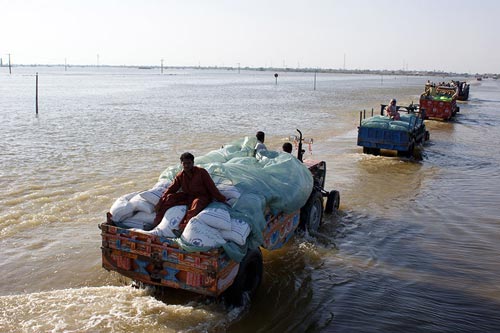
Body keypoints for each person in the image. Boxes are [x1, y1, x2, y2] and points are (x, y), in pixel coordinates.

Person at [153, 152, 228, 231]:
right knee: (168, 198)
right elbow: (170, 190)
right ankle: (156, 222)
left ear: (193, 163)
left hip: (202, 197)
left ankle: (183, 227)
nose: (186, 166)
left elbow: (212, 188)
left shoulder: (201, 172)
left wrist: (222, 199)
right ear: (181, 163)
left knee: (196, 203)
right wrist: (160, 202)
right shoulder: (180, 176)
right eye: (184, 163)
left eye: (189, 163)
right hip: (188, 196)